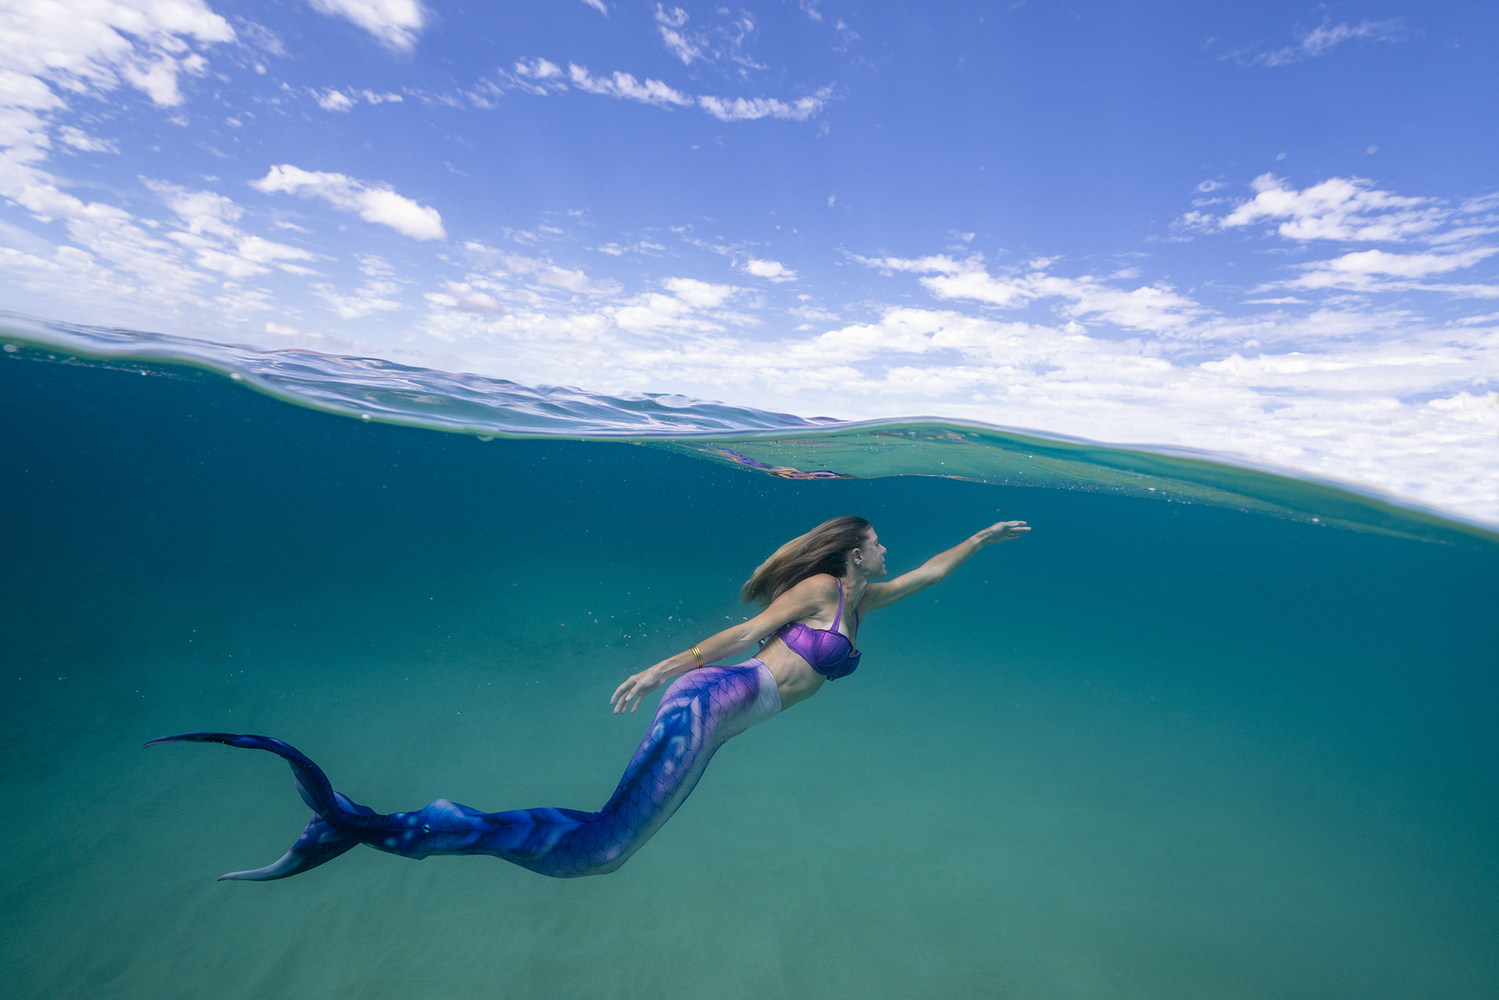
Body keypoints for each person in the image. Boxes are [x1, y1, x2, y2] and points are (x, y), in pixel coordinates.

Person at [147, 516, 1029, 882]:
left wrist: (985, 538)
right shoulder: (819, 589)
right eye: (875, 544)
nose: (884, 553)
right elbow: (733, 637)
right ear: (849, 550)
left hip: (725, 719)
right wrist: (659, 670)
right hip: (711, 699)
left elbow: (933, 572)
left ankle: (402, 827)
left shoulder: (862, 599)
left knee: (603, 850)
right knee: (601, 852)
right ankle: (389, 826)